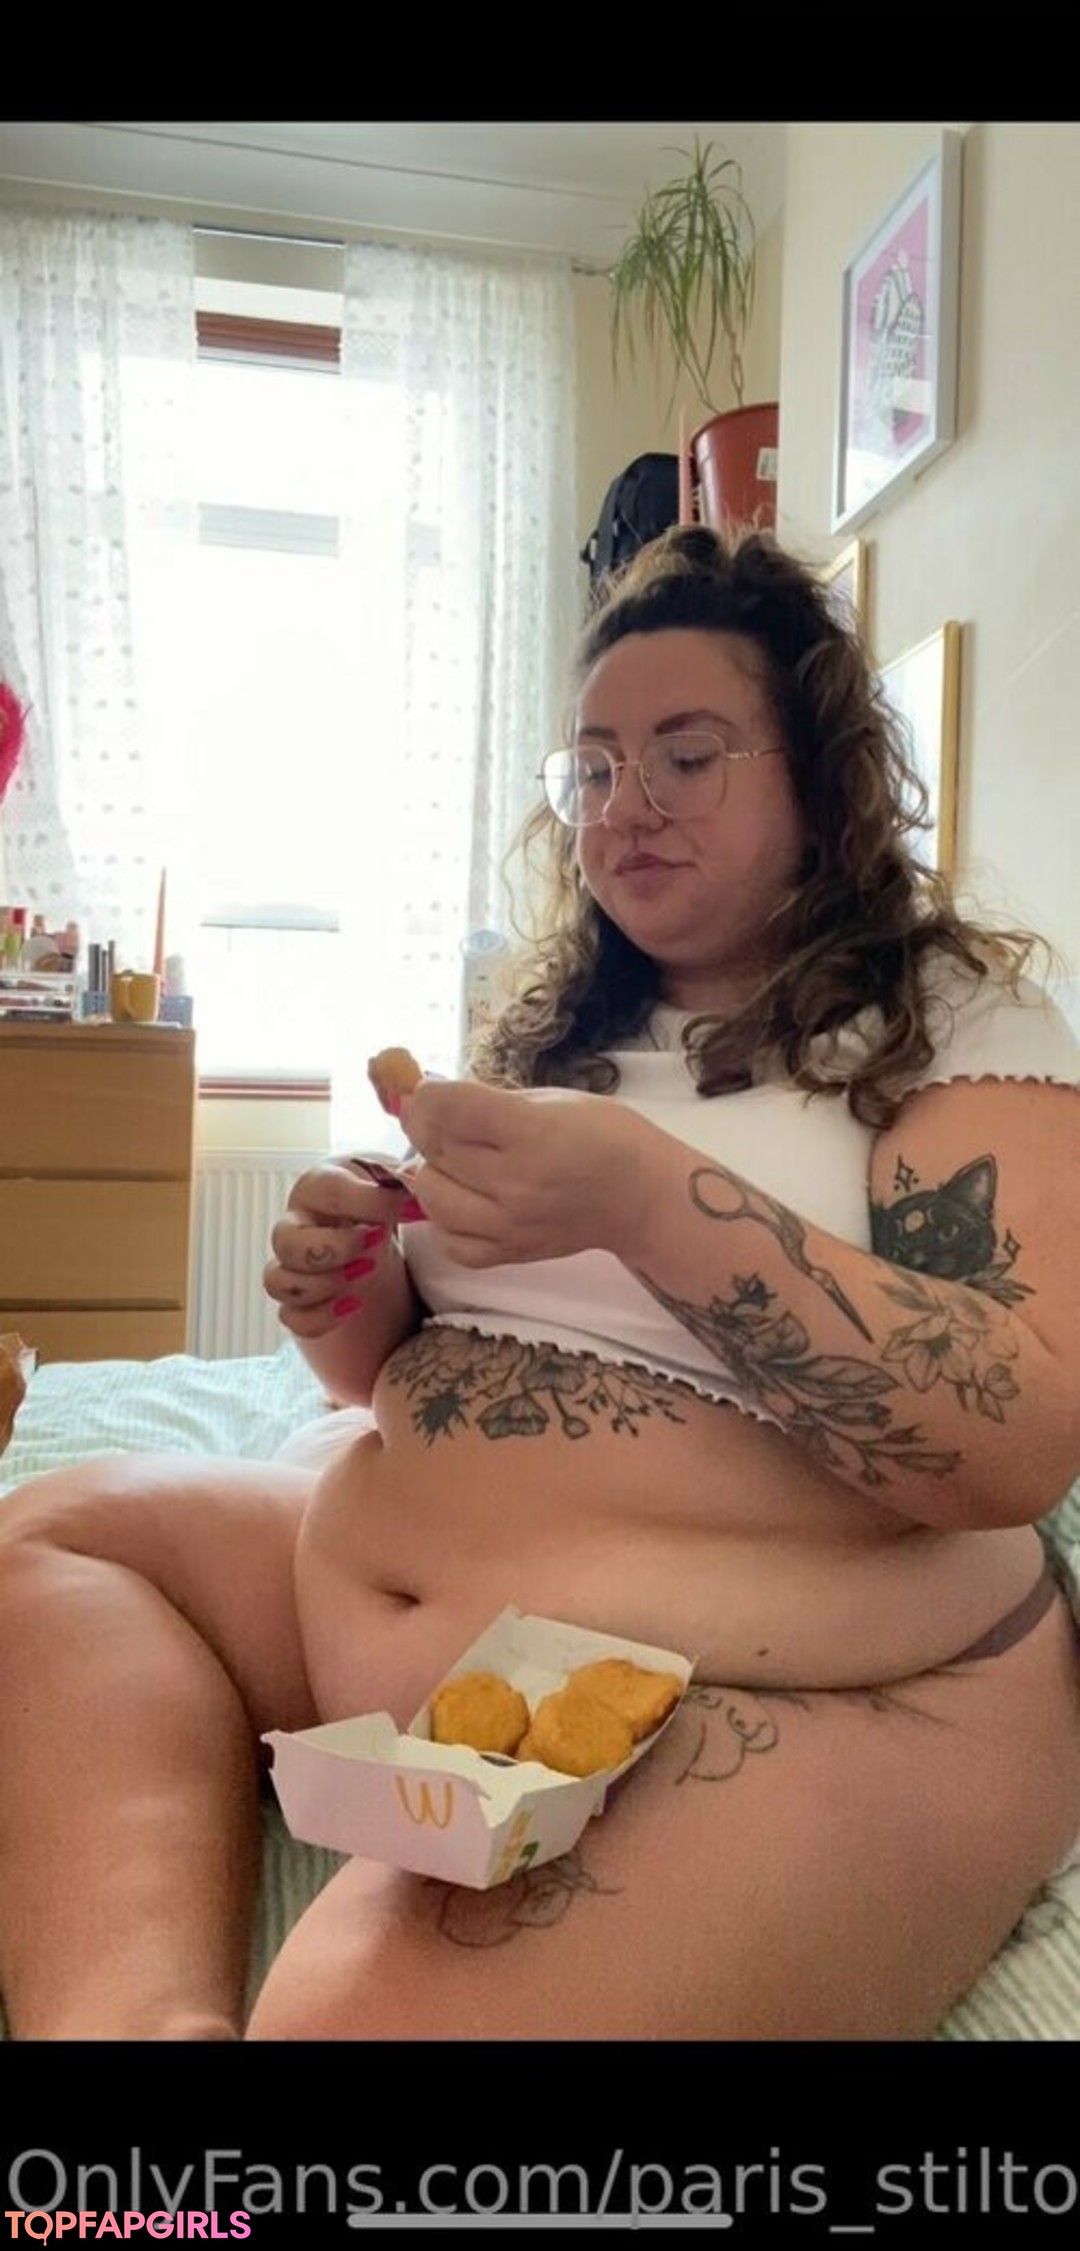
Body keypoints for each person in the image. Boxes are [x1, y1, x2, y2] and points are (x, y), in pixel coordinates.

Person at [2, 523, 1080, 2043]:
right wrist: (355, 1295)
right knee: (55, 1542)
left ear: (821, 780)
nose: (625, 806)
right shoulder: (559, 1030)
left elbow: (1012, 1434)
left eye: (686, 756)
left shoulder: (951, 1021)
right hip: (407, 1620)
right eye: (593, 769)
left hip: (790, 1681)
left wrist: (650, 1198)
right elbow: (410, 1378)